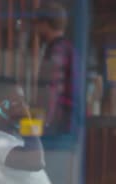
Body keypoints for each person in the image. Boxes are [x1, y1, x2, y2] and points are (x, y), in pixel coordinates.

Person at [32, 1, 74, 135]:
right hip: (66, 123)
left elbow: (51, 89)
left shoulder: (57, 51)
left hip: (58, 125)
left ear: (45, 23)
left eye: (37, 24)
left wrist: (44, 124)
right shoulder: (67, 48)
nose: (36, 29)